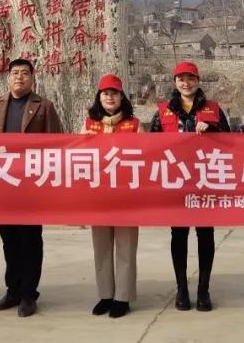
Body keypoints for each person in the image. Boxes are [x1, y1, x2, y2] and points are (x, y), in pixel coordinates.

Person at [0, 58, 64, 318]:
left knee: (30, 240)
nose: (19, 77)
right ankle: (13, 289)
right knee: (9, 240)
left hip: (31, 185)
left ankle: (29, 293)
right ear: (8, 77)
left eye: (25, 73)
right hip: (3, 183)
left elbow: (57, 144)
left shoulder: (44, 106)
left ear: (32, 77)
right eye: (15, 73)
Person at [149, 61, 231, 313]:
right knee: (179, 236)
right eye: (181, 79)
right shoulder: (162, 112)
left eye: (191, 78)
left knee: (206, 235)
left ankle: (203, 290)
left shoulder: (214, 109)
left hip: (205, 182)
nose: (186, 83)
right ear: (175, 82)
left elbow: (232, 142)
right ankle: (182, 289)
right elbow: (149, 149)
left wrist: (213, 128)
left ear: (198, 81)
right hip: (176, 184)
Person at [80, 73, 140, 319]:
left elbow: (147, 156)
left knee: (126, 248)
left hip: (127, 197)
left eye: (114, 93)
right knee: (101, 247)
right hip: (99, 196)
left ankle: (122, 297)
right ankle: (105, 295)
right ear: (99, 97)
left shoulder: (135, 125)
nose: (109, 97)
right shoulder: (89, 124)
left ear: (121, 97)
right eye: (105, 93)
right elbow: (77, 156)